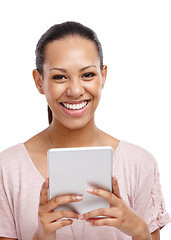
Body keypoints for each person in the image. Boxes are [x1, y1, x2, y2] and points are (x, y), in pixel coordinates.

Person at [0, 21, 170, 240]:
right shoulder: (8, 169)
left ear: (103, 76)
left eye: (87, 75)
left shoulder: (139, 164)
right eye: (59, 76)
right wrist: (41, 237)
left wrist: (139, 231)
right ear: (39, 81)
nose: (75, 90)